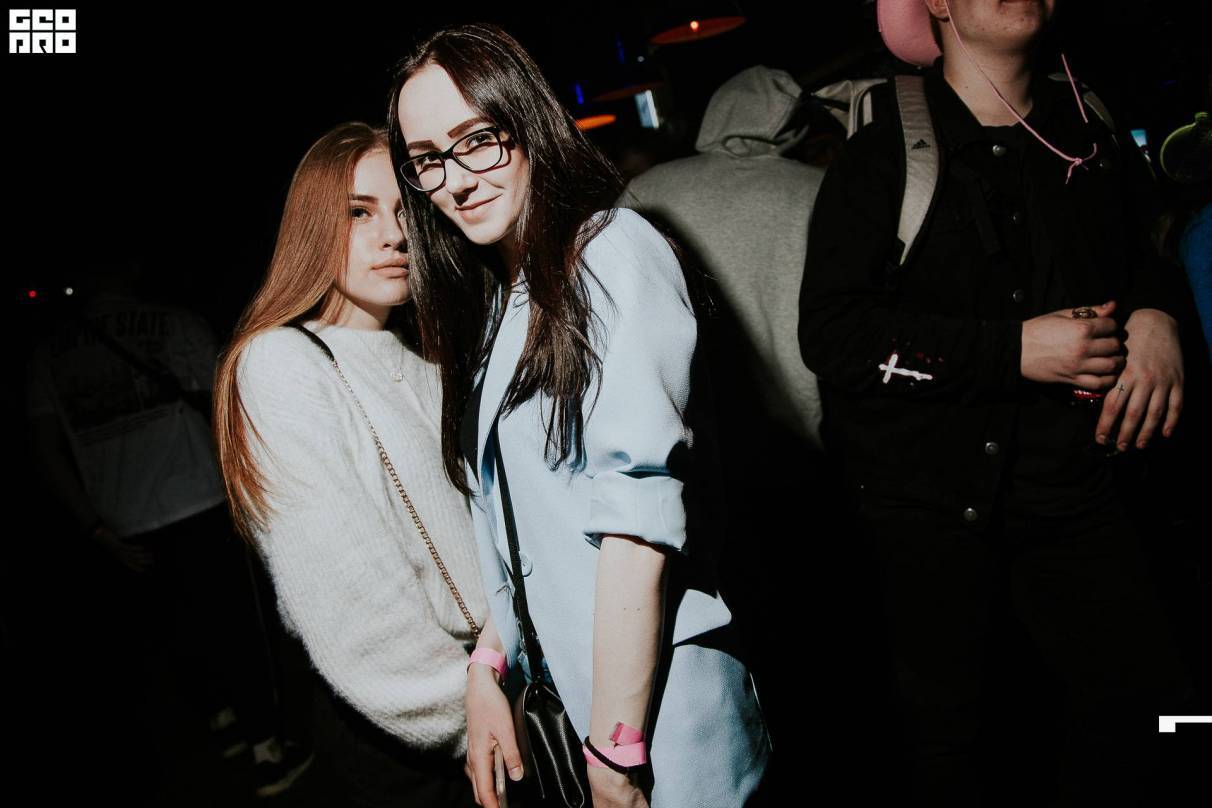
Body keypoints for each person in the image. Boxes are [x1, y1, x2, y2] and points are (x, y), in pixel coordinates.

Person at [799, 1, 1194, 805]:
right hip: (934, 521)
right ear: (937, 5)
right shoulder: (884, 156)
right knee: (959, 746)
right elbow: (835, 338)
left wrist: (1159, 315)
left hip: (1084, 496)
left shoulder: (1090, 134)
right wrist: (1012, 351)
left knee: (1161, 712)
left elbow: (1149, 251)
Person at [389, 23, 772, 808]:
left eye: (478, 140)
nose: (455, 180)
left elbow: (638, 528)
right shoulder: (505, 299)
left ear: (527, 123)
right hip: (578, 712)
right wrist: (488, 666)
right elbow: (523, 537)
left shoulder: (610, 251)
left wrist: (616, 749)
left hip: (659, 719)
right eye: (428, 159)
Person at [212, 121, 487, 806]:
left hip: (490, 683)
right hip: (414, 727)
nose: (393, 236)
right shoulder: (280, 361)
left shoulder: (428, 354)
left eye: (405, 211)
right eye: (358, 212)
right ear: (311, 227)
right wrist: (469, 716)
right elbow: (349, 591)